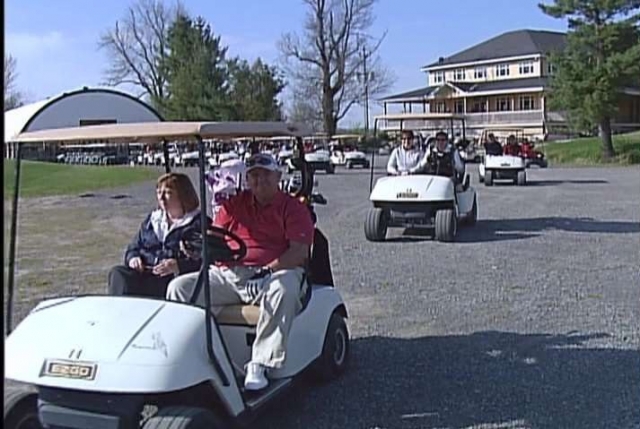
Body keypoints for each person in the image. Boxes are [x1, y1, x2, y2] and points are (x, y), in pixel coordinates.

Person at [166, 153, 314, 391]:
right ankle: (194, 353)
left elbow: (299, 252)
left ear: (278, 176)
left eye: (266, 174)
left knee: (283, 289)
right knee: (180, 288)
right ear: (247, 180)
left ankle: (260, 363)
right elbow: (214, 238)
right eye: (254, 175)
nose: (260, 180)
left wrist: (268, 270)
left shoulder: (292, 208)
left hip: (275, 272)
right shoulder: (234, 205)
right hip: (231, 274)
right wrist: (196, 249)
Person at [108, 173, 204, 298]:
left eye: (168, 193)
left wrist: (178, 265)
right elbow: (133, 247)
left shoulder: (197, 223)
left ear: (182, 195)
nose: (161, 198)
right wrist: (133, 258)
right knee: (118, 274)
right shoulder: (153, 220)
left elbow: (204, 259)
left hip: (172, 279)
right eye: (159, 193)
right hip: (145, 273)